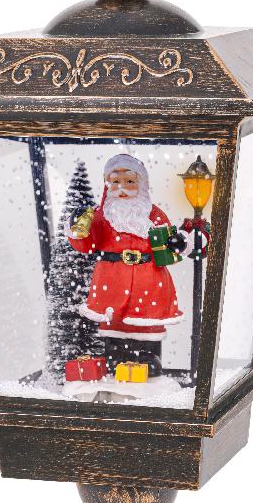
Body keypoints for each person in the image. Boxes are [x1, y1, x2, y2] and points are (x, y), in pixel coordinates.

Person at [68, 153, 200, 377]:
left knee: (146, 321)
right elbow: (86, 244)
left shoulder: (154, 215)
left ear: (142, 184)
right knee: (113, 322)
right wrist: (77, 228)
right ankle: (115, 356)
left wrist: (179, 242)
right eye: (115, 181)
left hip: (148, 281)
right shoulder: (101, 216)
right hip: (111, 281)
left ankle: (148, 357)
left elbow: (169, 243)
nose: (122, 188)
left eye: (129, 181)